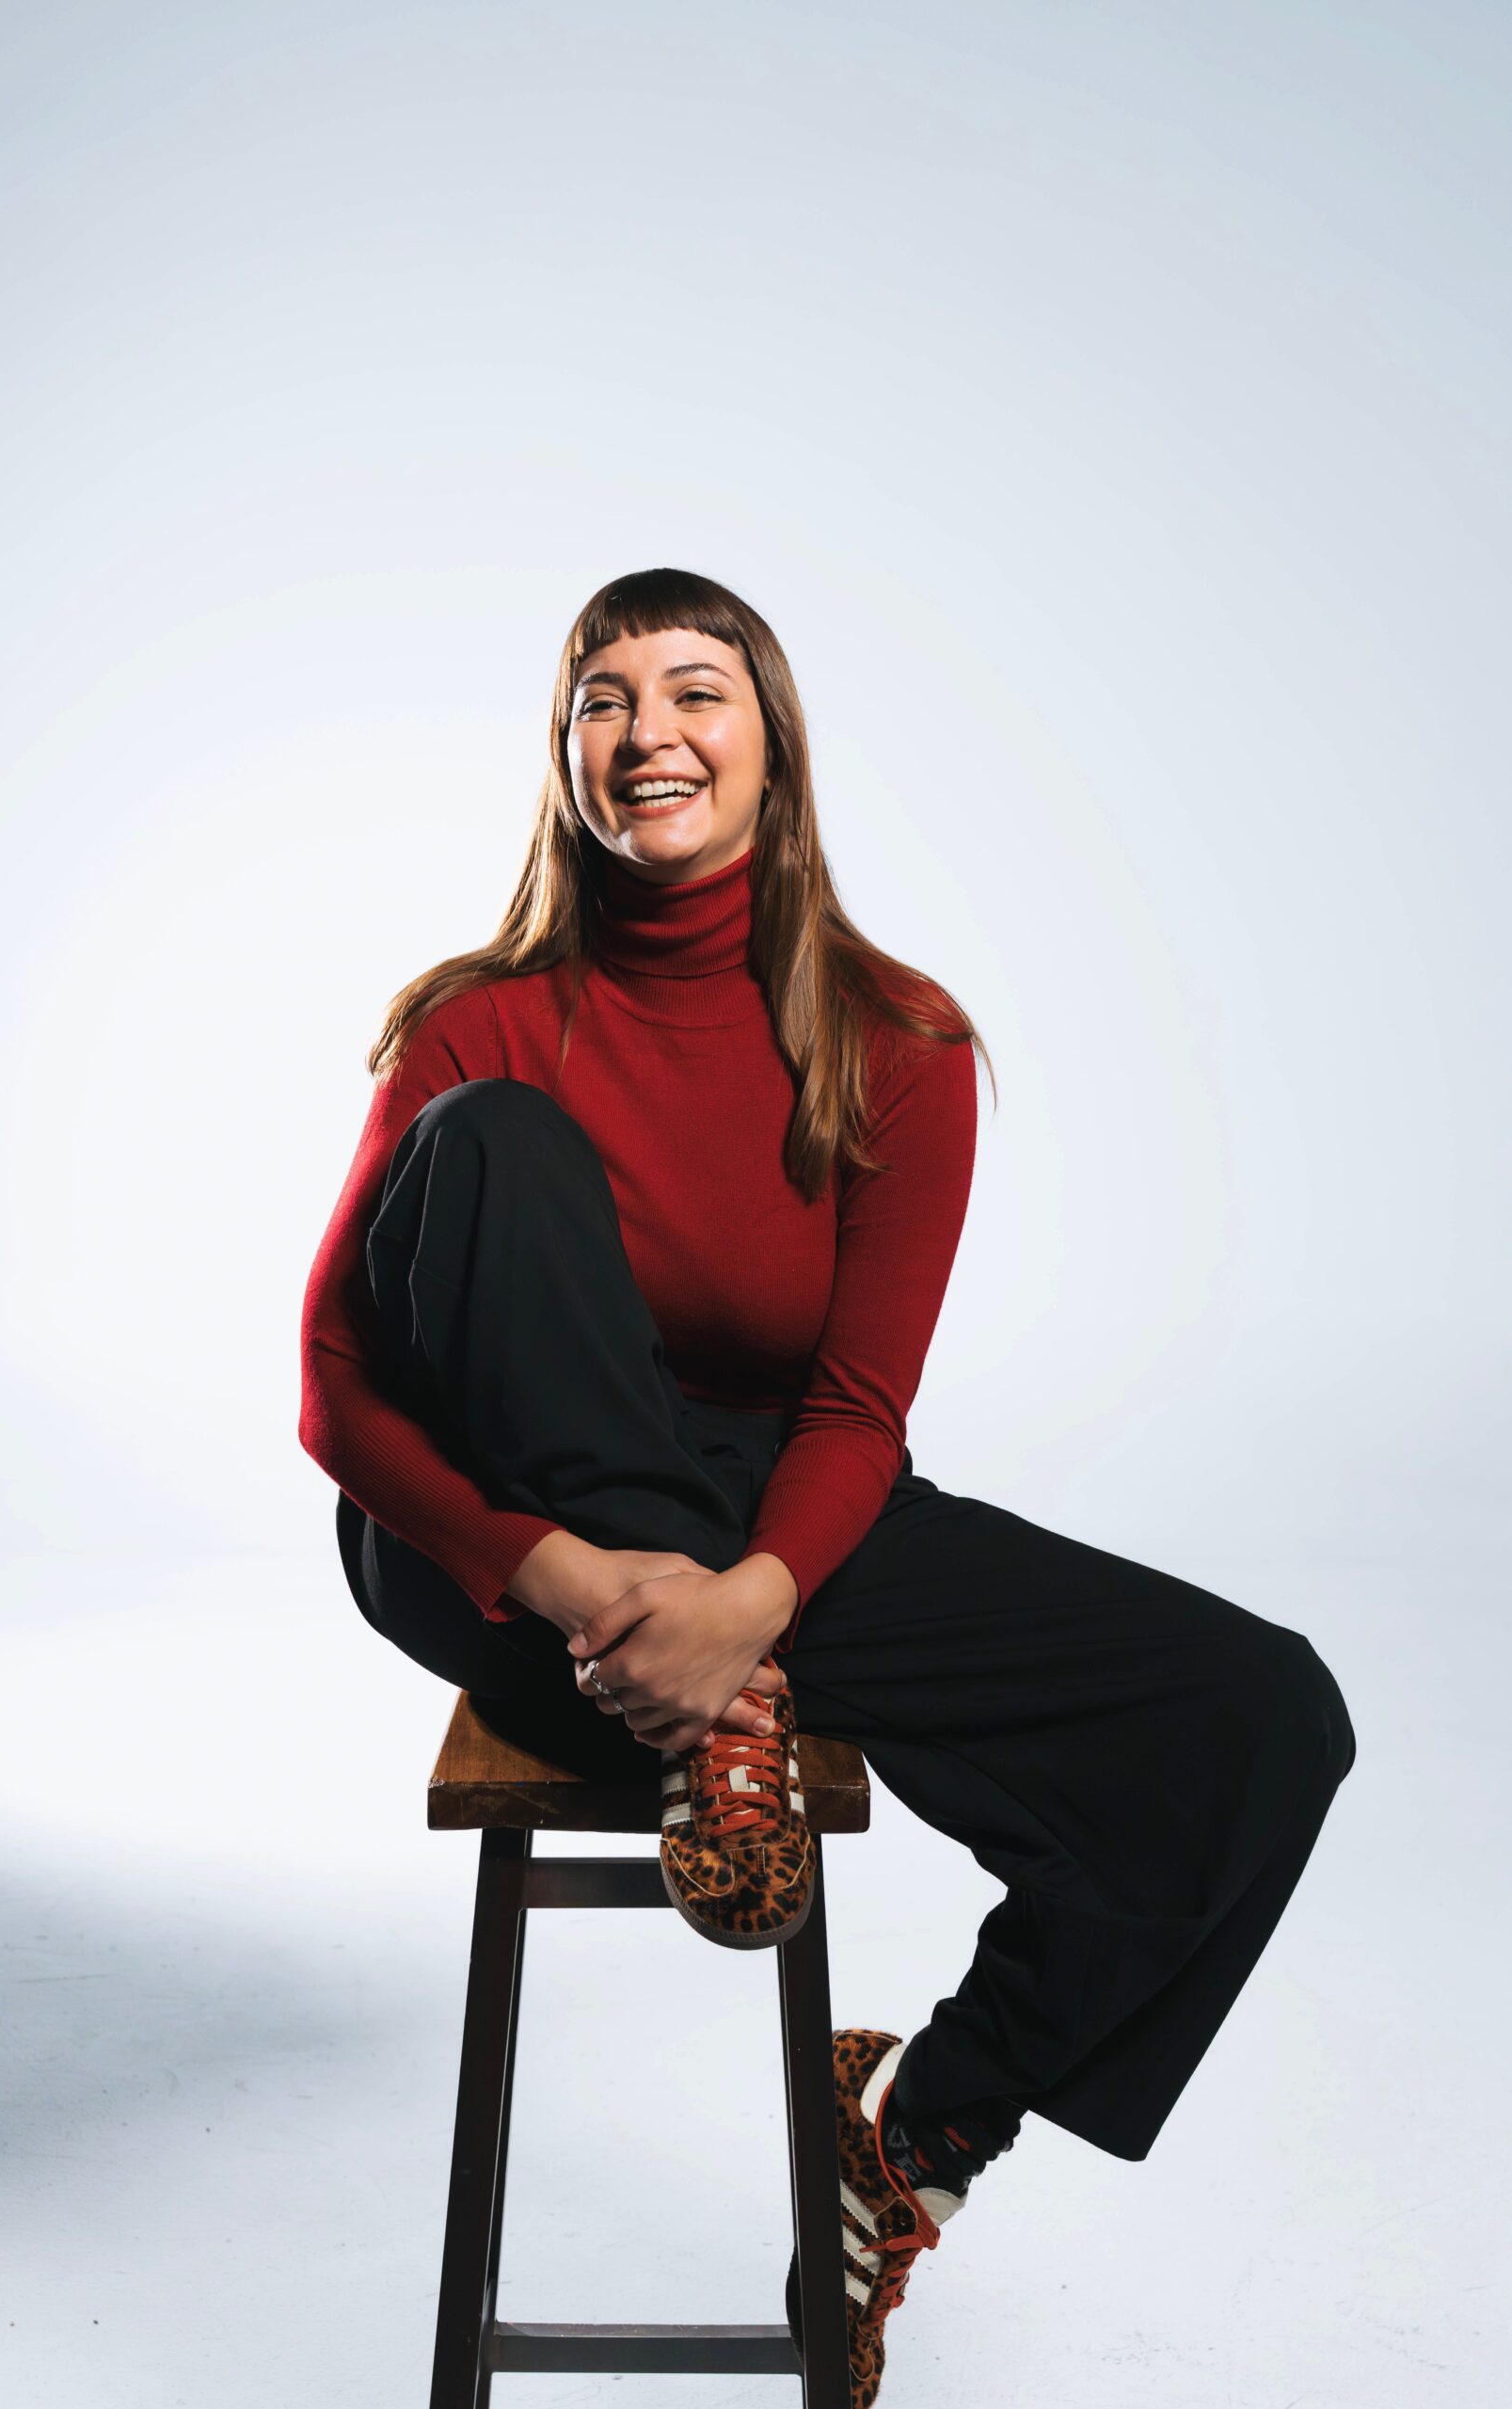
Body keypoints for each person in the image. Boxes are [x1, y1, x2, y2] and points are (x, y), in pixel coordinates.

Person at [298, 565, 1357, 2407]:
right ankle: (719, 1722)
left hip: (762, 1513)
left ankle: (912, 2138)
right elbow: (336, 1384)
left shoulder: (899, 1039)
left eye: (693, 691)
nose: (648, 732)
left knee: (1262, 1715)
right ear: (564, 755)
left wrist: (746, 1606)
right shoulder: (474, 1027)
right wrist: (573, 1580)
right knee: (497, 1144)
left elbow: (857, 1407)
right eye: (605, 699)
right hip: (489, 1530)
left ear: (772, 747)